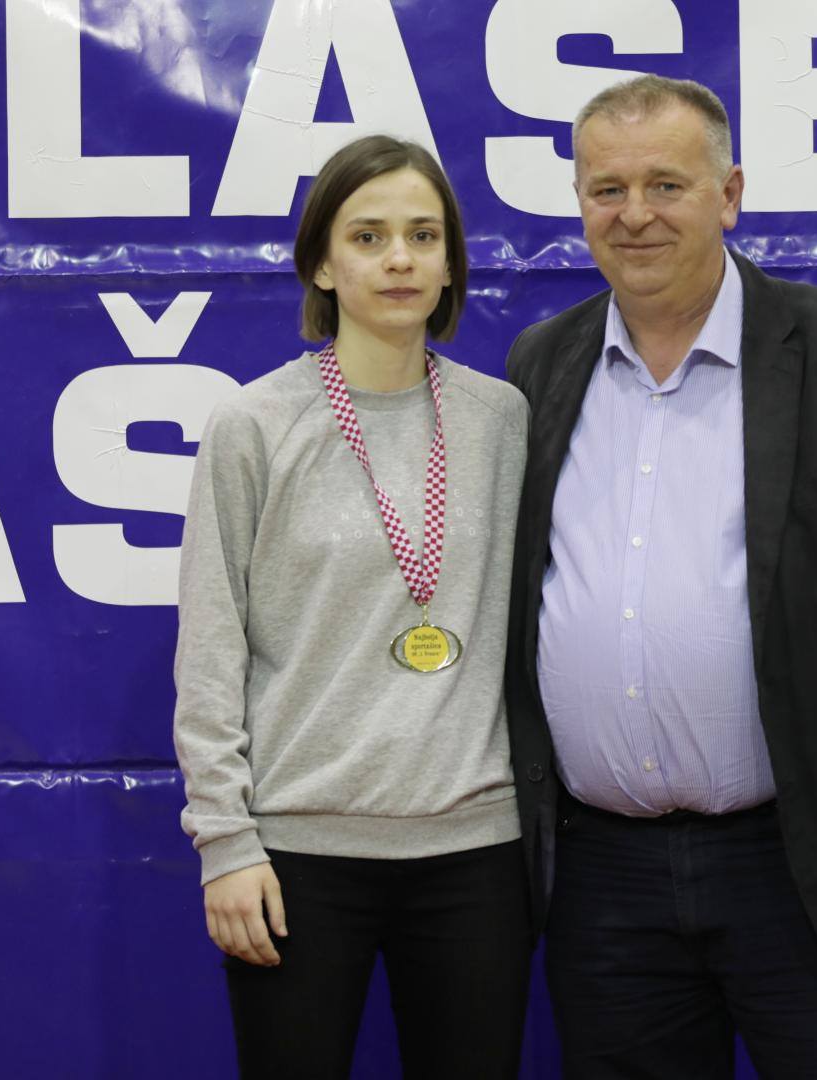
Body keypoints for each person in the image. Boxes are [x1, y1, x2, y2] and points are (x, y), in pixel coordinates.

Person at [502, 76, 817, 1078]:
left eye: (666, 185)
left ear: (729, 195)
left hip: (806, 863)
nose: (634, 214)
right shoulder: (539, 367)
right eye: (606, 189)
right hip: (602, 881)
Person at [172, 134, 532, 1079]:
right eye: (368, 237)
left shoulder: (504, 421)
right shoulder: (254, 424)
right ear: (323, 265)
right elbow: (210, 646)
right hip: (297, 853)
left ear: (450, 263)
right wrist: (226, 843)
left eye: (423, 235)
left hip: (476, 850)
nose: (399, 259)